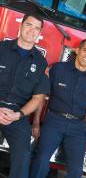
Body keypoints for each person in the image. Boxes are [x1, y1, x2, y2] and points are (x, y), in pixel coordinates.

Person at [29, 38, 86, 178]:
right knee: (41, 159)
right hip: (54, 121)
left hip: (78, 127)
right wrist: (36, 122)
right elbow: (42, 96)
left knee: (76, 171)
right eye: (85, 50)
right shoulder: (57, 69)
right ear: (78, 50)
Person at [0, 13, 50, 178]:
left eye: (37, 28)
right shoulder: (1, 48)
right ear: (21, 26)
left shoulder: (41, 62)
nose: (32, 30)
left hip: (17, 113)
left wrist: (18, 114)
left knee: (23, 154)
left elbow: (37, 99)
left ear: (39, 33)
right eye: (29, 25)